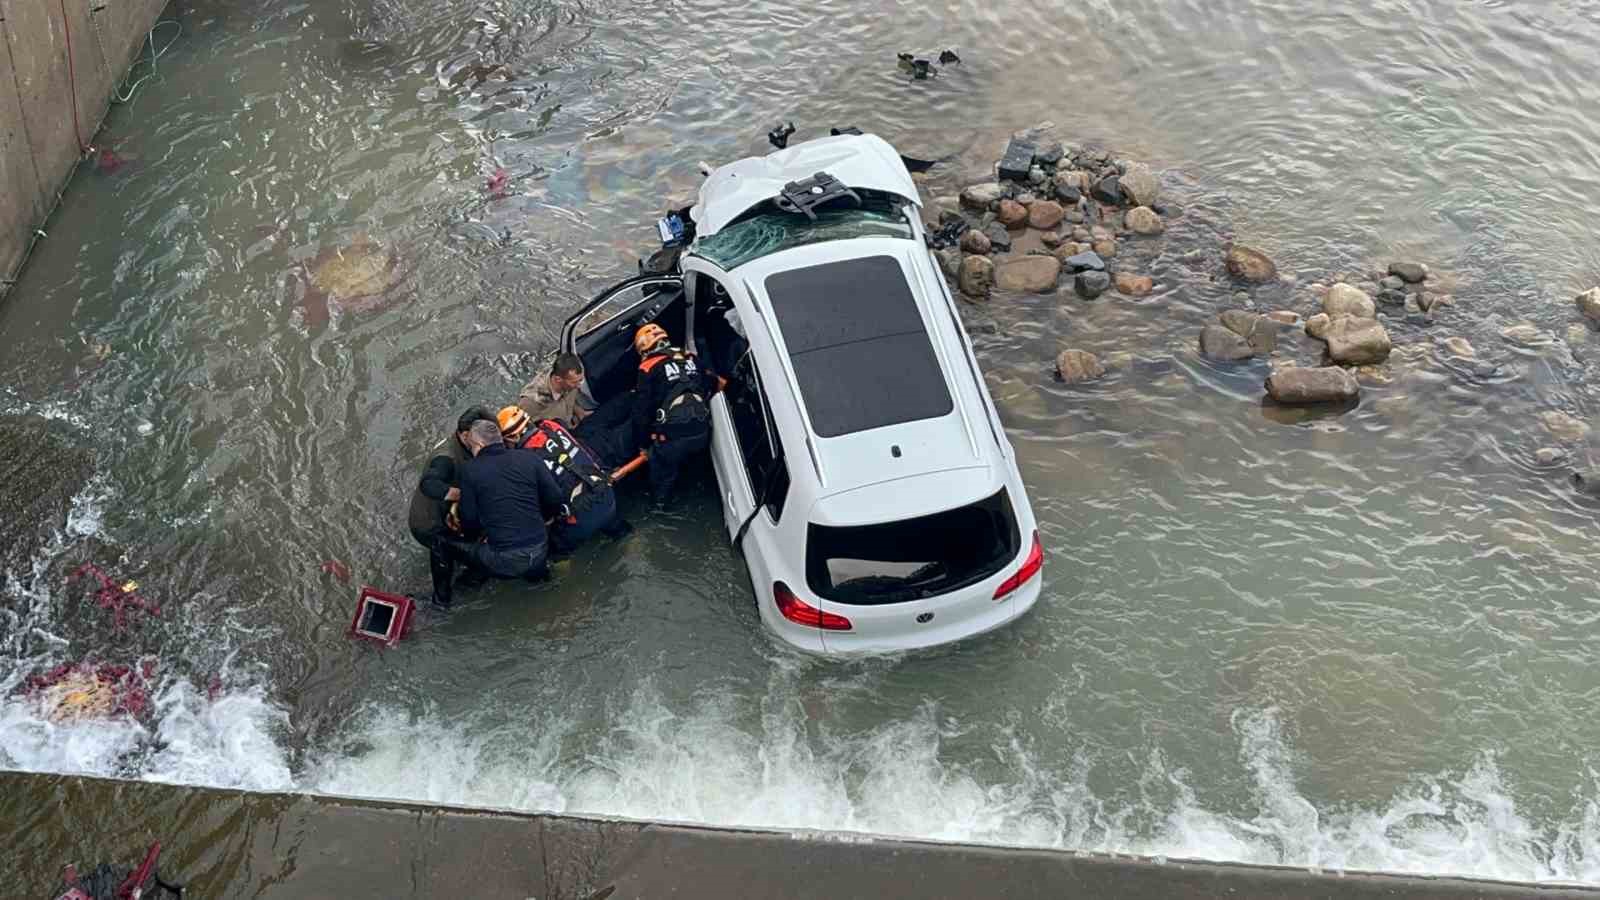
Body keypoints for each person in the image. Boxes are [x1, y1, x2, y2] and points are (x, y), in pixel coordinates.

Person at [446, 419, 567, 582]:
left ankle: (447, 598)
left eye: (472, 447)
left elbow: (470, 520)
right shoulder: (529, 458)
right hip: (540, 547)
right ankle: (539, 577)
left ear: (479, 445)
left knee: (442, 544)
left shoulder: (470, 470)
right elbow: (556, 498)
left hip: (504, 558)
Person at [497, 405, 629, 553]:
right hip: (606, 495)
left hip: (580, 520)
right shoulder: (552, 425)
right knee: (619, 530)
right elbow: (584, 451)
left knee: (556, 549)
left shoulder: (524, 461)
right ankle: (630, 541)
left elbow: (543, 501)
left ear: (513, 438)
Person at [407, 405, 496, 607]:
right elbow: (429, 484)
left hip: (450, 516)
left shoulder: (468, 444)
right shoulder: (446, 458)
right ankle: (442, 601)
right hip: (430, 525)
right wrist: (462, 495)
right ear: (465, 435)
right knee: (466, 558)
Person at [631, 322, 717, 505]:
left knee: (663, 479)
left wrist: (643, 445)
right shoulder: (691, 358)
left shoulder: (647, 368)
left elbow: (641, 414)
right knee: (692, 474)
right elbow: (712, 384)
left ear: (644, 348)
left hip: (670, 442)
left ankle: (661, 506)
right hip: (701, 434)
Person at [518, 353, 596, 425]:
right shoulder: (531, 402)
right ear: (558, 379)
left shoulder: (569, 382)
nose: (579, 386)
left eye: (581, 380)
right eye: (575, 382)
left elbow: (570, 398)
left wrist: (580, 413)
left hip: (569, 423)